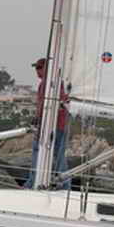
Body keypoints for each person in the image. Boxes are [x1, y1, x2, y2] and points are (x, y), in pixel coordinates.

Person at [25, 57, 70, 189]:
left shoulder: (47, 84)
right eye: (36, 68)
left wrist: (37, 118)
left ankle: (34, 182)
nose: (37, 70)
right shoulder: (59, 83)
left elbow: (43, 103)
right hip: (58, 125)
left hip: (52, 126)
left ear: (47, 69)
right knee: (57, 155)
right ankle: (63, 185)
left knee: (44, 153)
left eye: (39, 67)